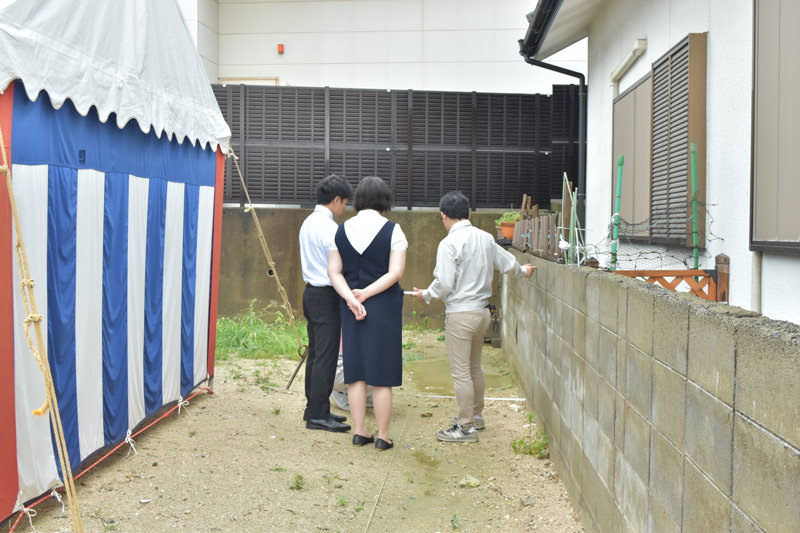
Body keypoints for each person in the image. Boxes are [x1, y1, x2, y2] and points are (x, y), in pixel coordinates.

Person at [412, 191, 535, 443]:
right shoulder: (485, 238)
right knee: (474, 367)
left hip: (460, 314)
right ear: (468, 214)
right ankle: (476, 417)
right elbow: (507, 263)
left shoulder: (449, 244)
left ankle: (465, 427)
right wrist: (523, 270)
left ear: (443, 216)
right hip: (481, 314)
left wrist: (426, 294)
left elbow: (445, 282)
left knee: (461, 373)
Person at [328, 176, 407, 450]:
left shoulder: (340, 230)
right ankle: (383, 436)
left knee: (355, 370)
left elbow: (334, 272)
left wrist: (352, 296)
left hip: (351, 307)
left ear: (359, 199)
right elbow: (395, 272)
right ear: (385, 200)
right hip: (383, 305)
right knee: (382, 374)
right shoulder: (394, 231)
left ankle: (360, 431)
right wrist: (367, 294)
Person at [299, 174, 353, 433]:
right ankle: (318, 414)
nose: (345, 209)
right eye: (345, 203)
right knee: (326, 356)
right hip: (326, 294)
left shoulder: (309, 222)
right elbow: (339, 265)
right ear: (336, 200)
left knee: (316, 353)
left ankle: (314, 409)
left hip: (311, 292)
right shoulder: (330, 228)